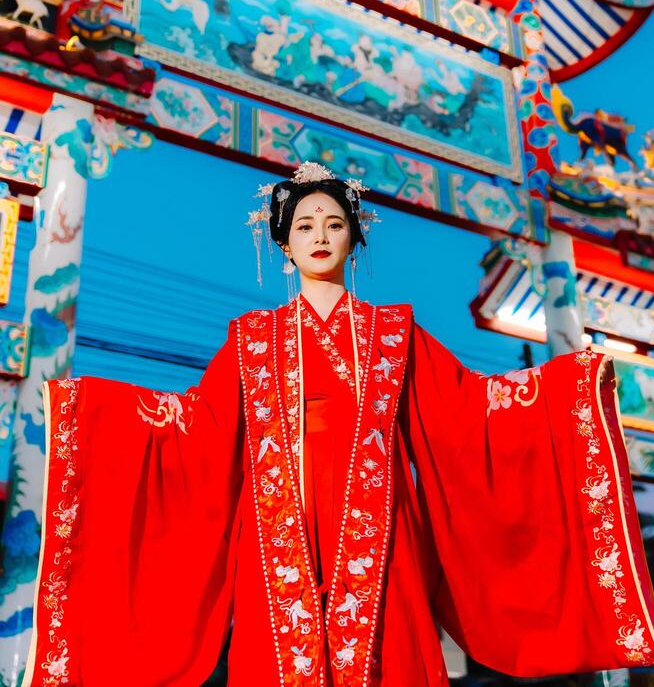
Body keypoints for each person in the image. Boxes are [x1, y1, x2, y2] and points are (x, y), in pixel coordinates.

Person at [25, 161, 654, 686]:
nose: (320, 235)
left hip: (382, 536)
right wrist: (93, 410)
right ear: (283, 241)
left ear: (355, 236)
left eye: (333, 223)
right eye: (304, 225)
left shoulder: (393, 332)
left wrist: (567, 385)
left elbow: (471, 410)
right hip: (277, 537)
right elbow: (196, 426)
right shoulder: (251, 339)